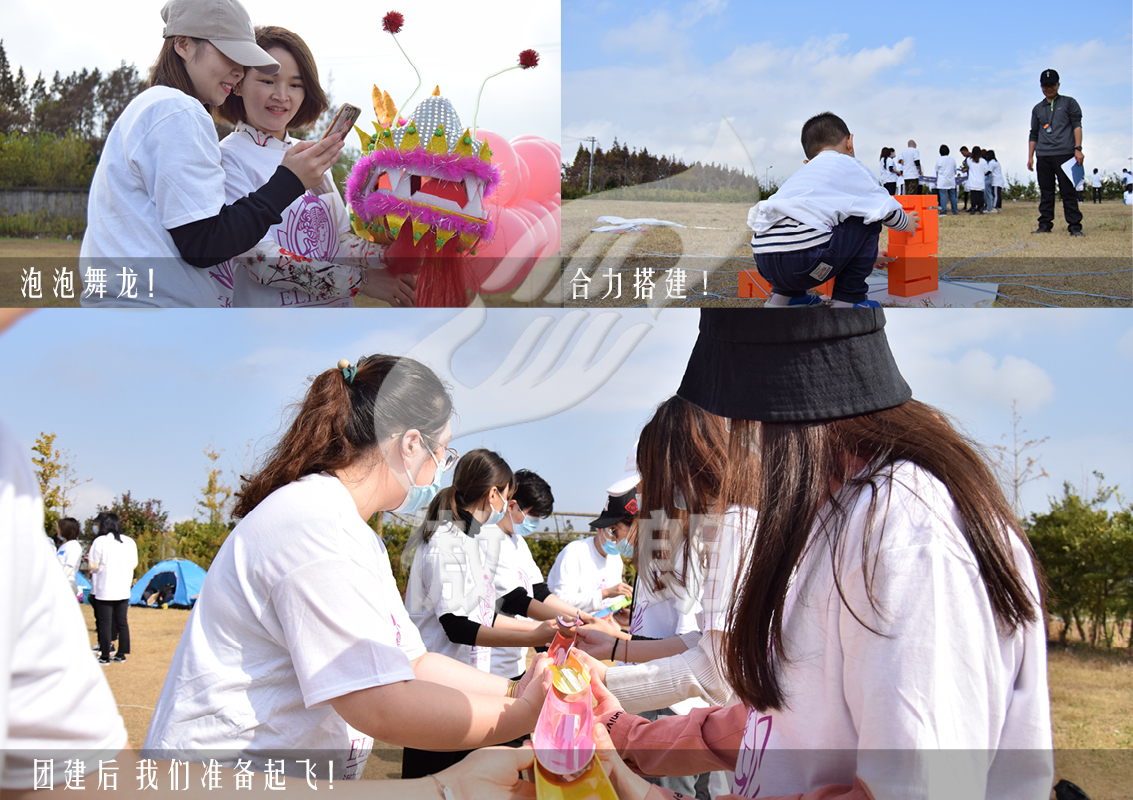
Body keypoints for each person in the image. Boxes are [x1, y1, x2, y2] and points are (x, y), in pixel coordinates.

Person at [578, 309, 1054, 800]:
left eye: (742, 424)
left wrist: (650, 792)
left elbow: (913, 789)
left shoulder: (904, 529)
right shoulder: (834, 518)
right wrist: (627, 733)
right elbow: (778, 718)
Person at [144, 355, 551, 782]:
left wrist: (515, 690)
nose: (439, 471)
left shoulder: (353, 532)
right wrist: (521, 714)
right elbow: (380, 705)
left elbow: (414, 663)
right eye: (442, 454)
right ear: (411, 444)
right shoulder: (317, 528)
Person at [79, 0, 345, 307]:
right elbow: (205, 244)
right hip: (152, 315)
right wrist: (289, 181)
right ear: (183, 44)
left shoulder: (155, 106)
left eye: (244, 61)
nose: (239, 71)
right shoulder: (178, 110)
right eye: (229, 54)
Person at [575, 396, 751, 800]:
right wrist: (616, 649)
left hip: (686, 704)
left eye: (650, 480)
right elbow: (704, 642)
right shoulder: (721, 525)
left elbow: (712, 670)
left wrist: (607, 683)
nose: (648, 494)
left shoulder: (728, 531)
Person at [214, 26, 416, 309]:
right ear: (238, 83)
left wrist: (391, 254)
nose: (282, 95)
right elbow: (259, 260)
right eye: (268, 81)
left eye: (295, 85)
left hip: (336, 325)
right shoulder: (226, 158)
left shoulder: (310, 153)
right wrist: (361, 281)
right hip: (271, 331)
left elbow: (339, 242)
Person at [403, 448, 559, 777]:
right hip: (438, 691)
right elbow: (457, 627)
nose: (505, 504)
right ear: (493, 495)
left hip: (461, 688)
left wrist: (542, 630)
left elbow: (483, 615)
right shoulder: (447, 542)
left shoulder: (467, 540)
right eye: (506, 495)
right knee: (434, 782)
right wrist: (530, 637)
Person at [747, 112, 920, 308]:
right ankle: (849, 299)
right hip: (808, 264)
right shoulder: (850, 164)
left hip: (766, 264)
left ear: (808, 160)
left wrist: (867, 256)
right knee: (867, 214)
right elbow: (884, 207)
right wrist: (907, 223)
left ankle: (785, 298)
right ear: (850, 142)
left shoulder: (801, 176)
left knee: (811, 227)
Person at [479, 468, 611, 680]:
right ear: (512, 505)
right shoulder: (487, 538)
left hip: (513, 660)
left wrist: (580, 616)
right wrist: (566, 621)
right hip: (490, 663)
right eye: (532, 516)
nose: (534, 523)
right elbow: (513, 600)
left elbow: (539, 592)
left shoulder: (518, 542)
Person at [547, 488, 635, 614]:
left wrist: (619, 611)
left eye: (622, 538)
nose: (616, 542)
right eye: (613, 534)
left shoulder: (616, 560)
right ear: (599, 529)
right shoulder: (575, 552)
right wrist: (605, 593)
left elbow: (608, 606)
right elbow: (559, 601)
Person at [1027, 69, 1084, 236]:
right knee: (1046, 191)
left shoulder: (1069, 103)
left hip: (1065, 153)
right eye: (1045, 85)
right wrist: (1030, 156)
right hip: (1043, 155)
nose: (1049, 88)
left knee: (1068, 191)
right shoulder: (1037, 109)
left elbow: (1077, 125)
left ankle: (1074, 226)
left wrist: (1078, 148)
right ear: (1041, 87)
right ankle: (1044, 225)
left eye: (1052, 84)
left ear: (1058, 85)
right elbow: (1033, 133)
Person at [87, 513, 138, 664]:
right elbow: (134, 563)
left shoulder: (100, 541)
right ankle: (121, 654)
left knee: (105, 623)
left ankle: (105, 655)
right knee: (122, 622)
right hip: (123, 588)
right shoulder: (129, 541)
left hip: (105, 588)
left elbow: (93, 565)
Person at [55, 516, 84, 601]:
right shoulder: (63, 546)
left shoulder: (74, 546)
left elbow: (69, 566)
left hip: (67, 584)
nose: (57, 530)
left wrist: (58, 581)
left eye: (59, 528)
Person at [935, 145, 958, 215]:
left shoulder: (939, 160)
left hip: (942, 181)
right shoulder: (952, 160)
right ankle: (955, 210)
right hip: (951, 180)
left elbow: (936, 171)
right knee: (953, 196)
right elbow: (955, 171)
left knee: (943, 196)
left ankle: (944, 210)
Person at [966, 146, 988, 215]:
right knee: (980, 196)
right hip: (980, 181)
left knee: (973, 196)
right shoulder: (983, 161)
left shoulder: (969, 160)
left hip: (972, 181)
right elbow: (986, 171)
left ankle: (973, 208)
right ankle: (980, 208)